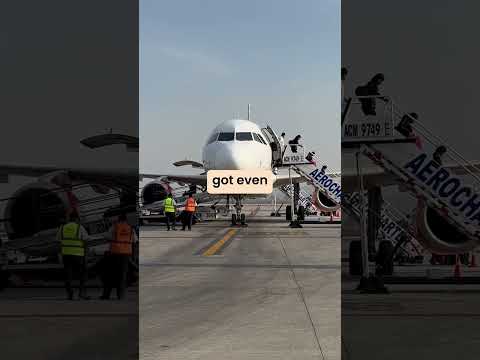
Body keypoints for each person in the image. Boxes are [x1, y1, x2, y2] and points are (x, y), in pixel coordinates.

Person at [101, 213, 138, 300]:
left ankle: (106, 295)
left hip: (114, 253)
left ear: (119, 219)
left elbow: (107, 236)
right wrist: (133, 255)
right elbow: (135, 241)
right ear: (126, 220)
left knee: (110, 274)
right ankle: (120, 296)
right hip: (126, 254)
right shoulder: (130, 228)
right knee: (122, 275)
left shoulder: (115, 227)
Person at [57, 211, 90, 300]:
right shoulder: (80, 228)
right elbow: (86, 241)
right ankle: (81, 293)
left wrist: (60, 254)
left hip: (66, 255)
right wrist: (86, 255)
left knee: (68, 274)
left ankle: (69, 293)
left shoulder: (62, 228)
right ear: (76, 219)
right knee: (83, 274)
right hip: (78, 255)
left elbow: (58, 243)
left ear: (69, 218)